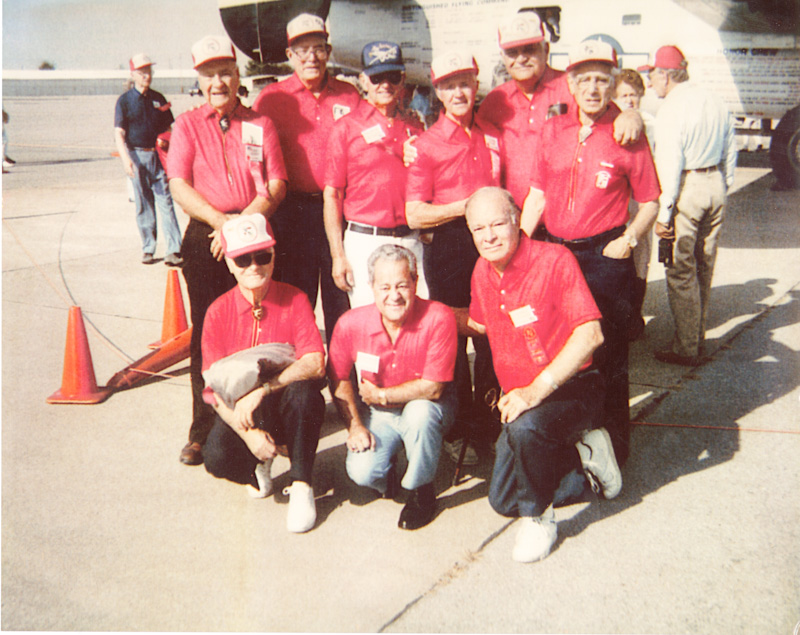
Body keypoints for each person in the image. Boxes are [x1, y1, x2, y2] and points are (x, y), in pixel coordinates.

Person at [521, 40, 661, 466]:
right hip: (557, 255)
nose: (594, 89)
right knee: (561, 351)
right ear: (572, 84)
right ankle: (568, 446)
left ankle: (616, 451)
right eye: (585, 80)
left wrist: (630, 239)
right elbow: (537, 195)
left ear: (614, 84)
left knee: (610, 355)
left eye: (603, 80)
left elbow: (651, 200)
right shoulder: (554, 130)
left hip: (605, 258)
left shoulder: (626, 133)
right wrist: (521, 250)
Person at [465, 186, 622, 563]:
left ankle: (540, 520)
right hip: (523, 400)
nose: (489, 236)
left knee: (525, 431)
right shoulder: (482, 270)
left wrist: (536, 391)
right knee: (503, 500)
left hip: (572, 387)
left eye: (498, 224)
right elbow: (479, 324)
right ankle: (585, 458)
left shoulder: (555, 260)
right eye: (478, 228)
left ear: (518, 220)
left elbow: (591, 334)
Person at [168, 35, 287, 466]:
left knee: (262, 325)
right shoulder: (186, 125)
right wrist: (222, 224)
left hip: (253, 229)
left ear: (238, 76)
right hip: (208, 235)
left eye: (225, 72)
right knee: (207, 331)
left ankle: (266, 418)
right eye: (209, 75)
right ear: (198, 81)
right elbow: (178, 184)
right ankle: (203, 429)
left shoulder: (261, 124)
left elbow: (276, 184)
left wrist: (241, 225)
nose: (218, 82)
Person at [405, 49, 502, 462]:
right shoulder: (425, 145)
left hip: (493, 242)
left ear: (477, 84)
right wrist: (466, 205)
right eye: (448, 85)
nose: (458, 92)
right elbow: (414, 212)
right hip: (449, 245)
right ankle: (459, 425)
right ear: (438, 91)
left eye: (465, 82)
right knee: (456, 336)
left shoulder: (492, 133)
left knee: (494, 334)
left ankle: (490, 421)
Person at [201, 214, 325, 533]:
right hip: (243, 413)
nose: (254, 266)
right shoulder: (216, 312)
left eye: (262, 256)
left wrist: (263, 390)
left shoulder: (295, 298)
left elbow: (315, 361)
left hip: (282, 402)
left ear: (273, 257)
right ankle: (258, 466)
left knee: (306, 394)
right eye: (243, 259)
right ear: (229, 263)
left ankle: (301, 485)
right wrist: (249, 436)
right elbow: (211, 391)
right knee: (215, 455)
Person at [328, 245, 457, 530]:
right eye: (384, 286)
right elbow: (338, 378)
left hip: (429, 407)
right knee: (362, 473)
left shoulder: (438, 316)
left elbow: (433, 388)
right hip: (379, 413)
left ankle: (422, 491)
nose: (394, 295)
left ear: (415, 282)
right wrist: (355, 426)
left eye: (402, 285)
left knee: (420, 414)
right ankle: (387, 469)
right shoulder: (350, 323)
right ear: (371, 287)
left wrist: (383, 394)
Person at [253, 13, 361, 343]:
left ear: (328, 51)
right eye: (302, 50)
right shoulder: (271, 99)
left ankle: (346, 385)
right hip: (292, 215)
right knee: (295, 303)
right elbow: (255, 162)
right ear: (289, 56)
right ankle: (302, 388)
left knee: (341, 301)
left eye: (318, 48)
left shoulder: (349, 95)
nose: (311, 57)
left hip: (338, 213)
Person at [478, 11, 642, 209]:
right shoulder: (495, 100)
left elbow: (612, 114)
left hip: (566, 218)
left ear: (546, 49)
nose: (521, 59)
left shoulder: (571, 87)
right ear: (503, 57)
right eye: (512, 52)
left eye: (529, 49)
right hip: (518, 219)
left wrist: (631, 115)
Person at [641, 45, 737, 366]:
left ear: (666, 75)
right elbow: (731, 148)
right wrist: (724, 184)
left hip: (687, 186)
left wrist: (664, 214)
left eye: (652, 74)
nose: (651, 82)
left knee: (681, 270)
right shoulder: (715, 99)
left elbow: (670, 164)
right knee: (704, 265)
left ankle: (686, 347)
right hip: (715, 183)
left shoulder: (671, 109)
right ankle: (696, 337)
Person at [323, 41, 428, 309]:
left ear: (402, 79)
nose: (385, 85)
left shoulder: (415, 125)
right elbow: (332, 195)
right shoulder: (346, 128)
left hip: (411, 239)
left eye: (392, 77)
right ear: (363, 80)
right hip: (365, 239)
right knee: (370, 324)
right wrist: (338, 256)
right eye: (377, 77)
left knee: (416, 319)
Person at [114, 53, 183, 266]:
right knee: (144, 204)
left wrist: (168, 146)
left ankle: (174, 249)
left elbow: (169, 128)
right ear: (133, 74)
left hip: (158, 157)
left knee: (166, 202)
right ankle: (148, 248)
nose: (147, 75)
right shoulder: (124, 101)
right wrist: (126, 160)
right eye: (142, 72)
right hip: (137, 156)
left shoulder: (159, 98)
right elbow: (119, 133)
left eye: (149, 71)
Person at [614, 68, 657, 340]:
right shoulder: (611, 124)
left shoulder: (651, 123)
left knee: (641, 260)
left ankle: (633, 318)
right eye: (623, 95)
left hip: (642, 201)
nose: (630, 100)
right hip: (620, 202)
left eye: (634, 95)